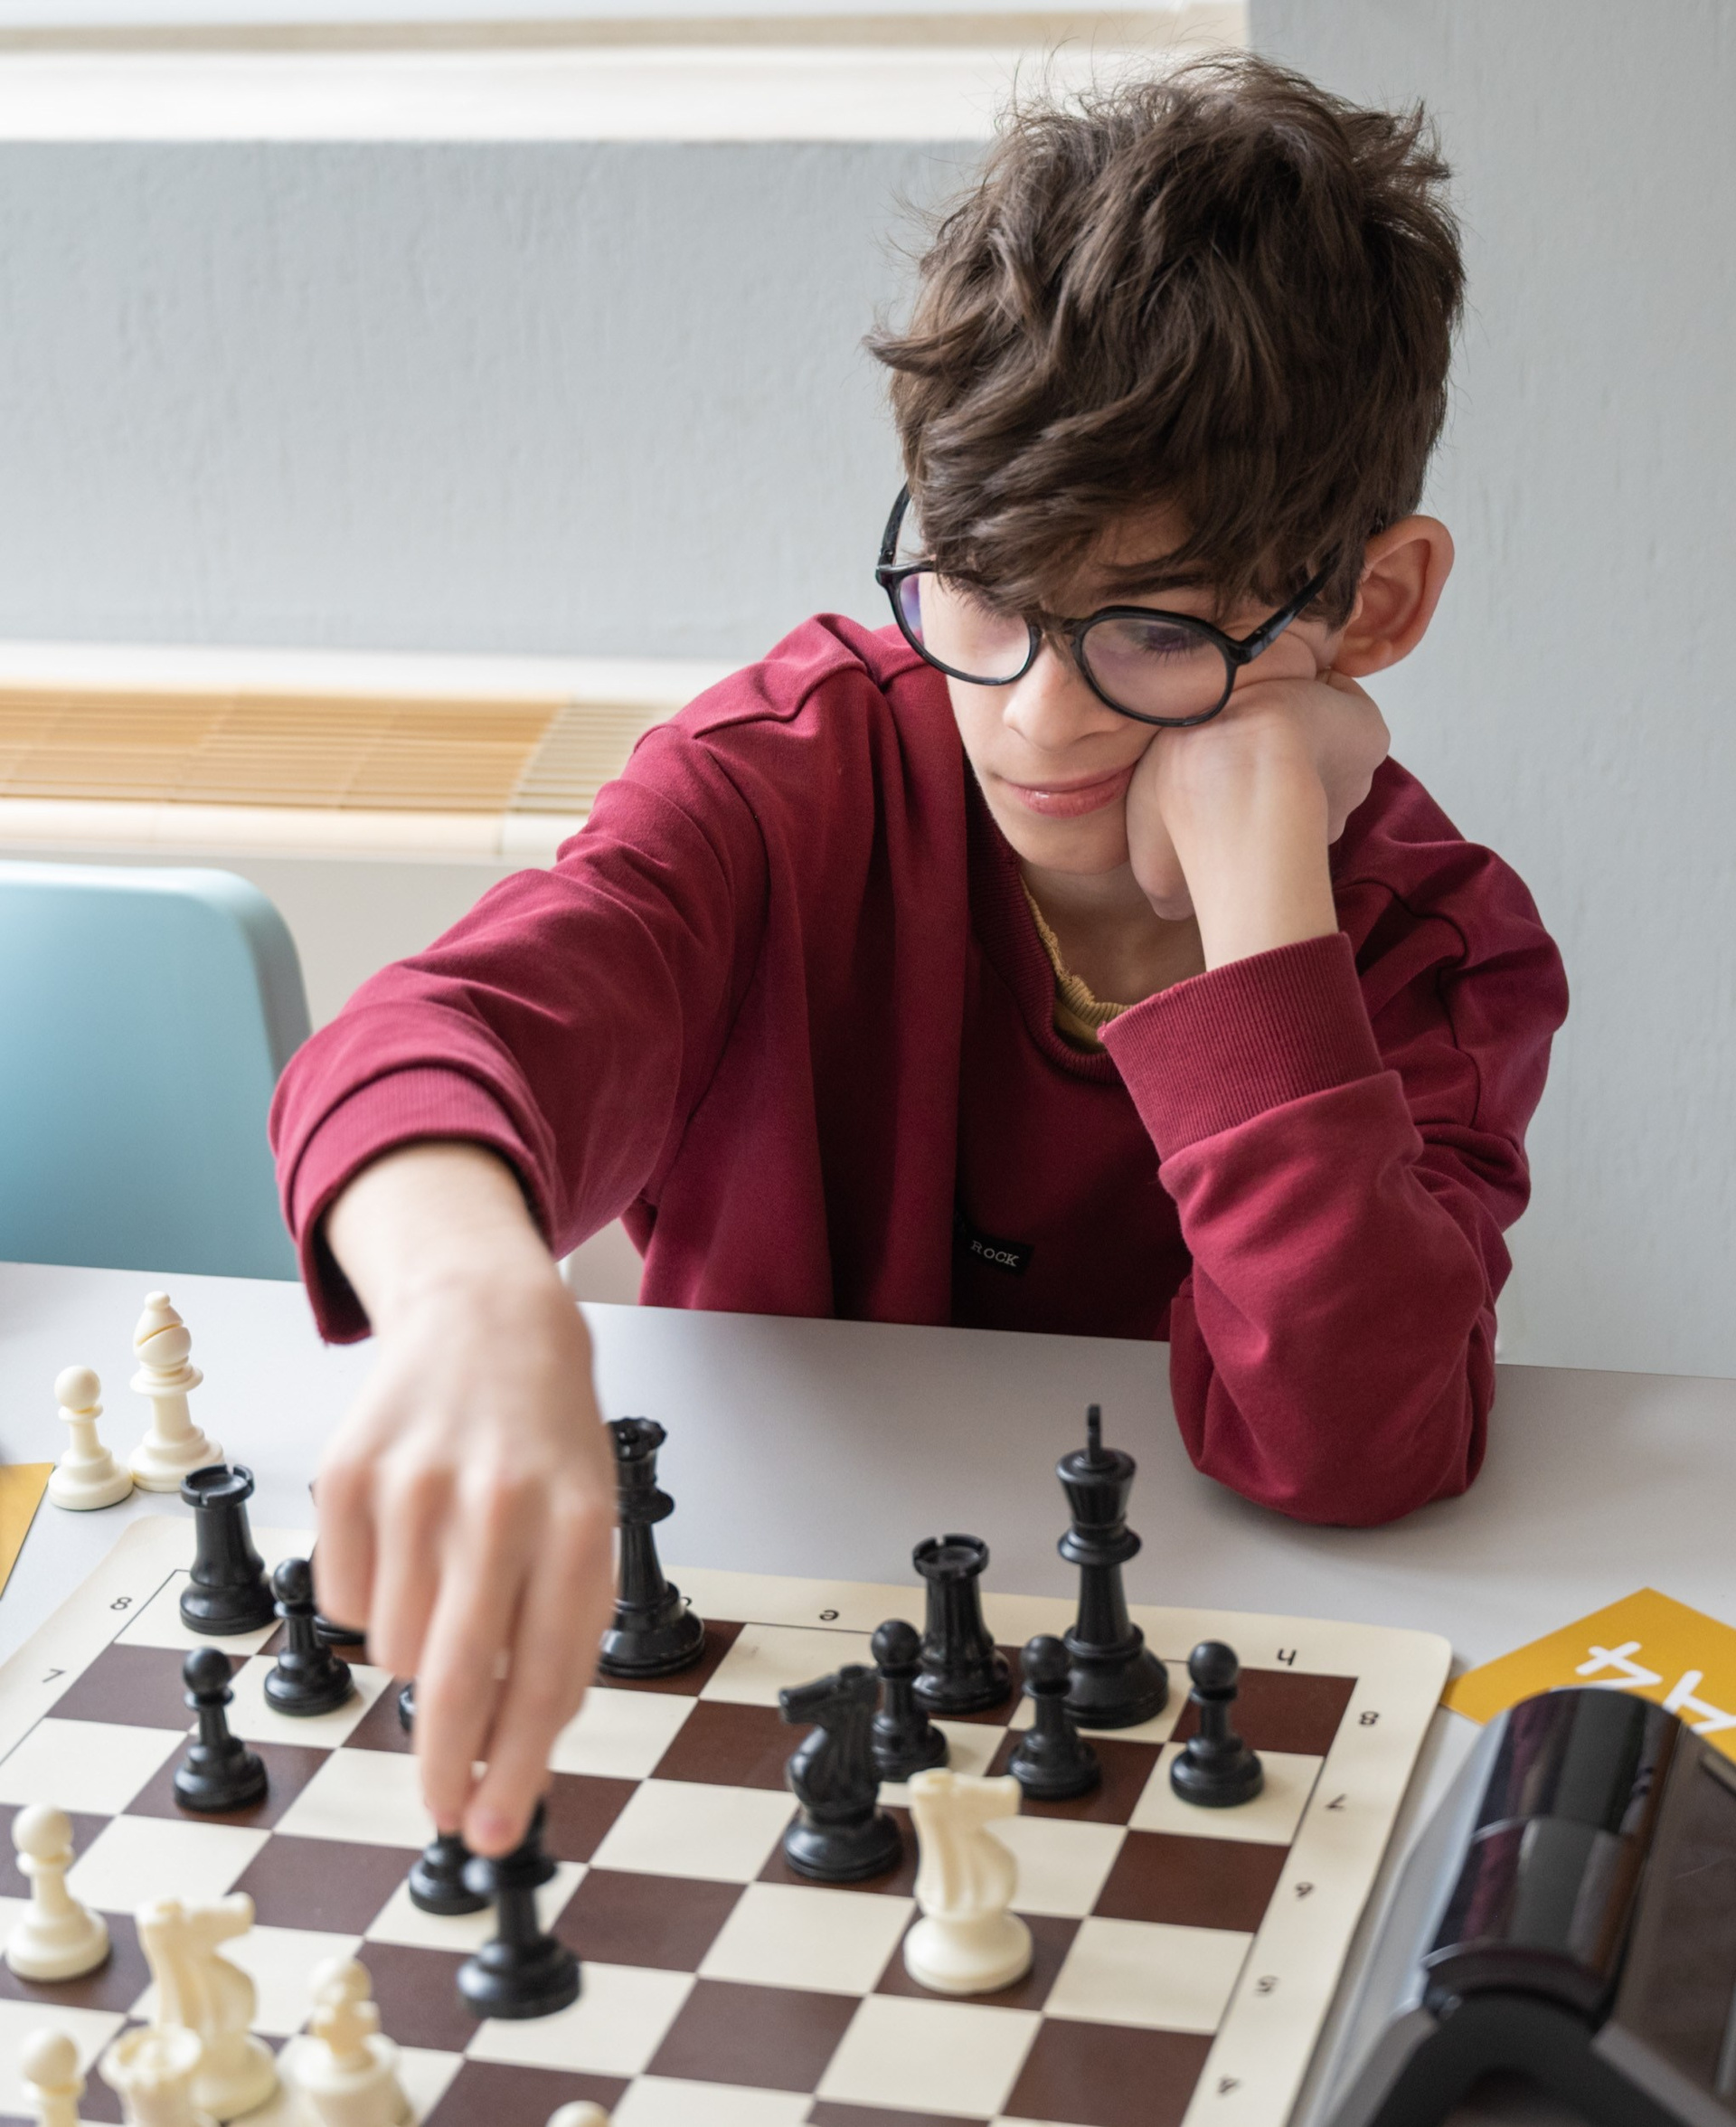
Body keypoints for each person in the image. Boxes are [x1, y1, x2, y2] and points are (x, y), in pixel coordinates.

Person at [270, 52, 1568, 1860]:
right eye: (981, 584)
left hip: (1170, 1731)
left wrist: (1265, 915)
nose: (1034, 713)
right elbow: (432, 1037)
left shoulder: (1434, 947)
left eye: (1152, 629)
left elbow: (1354, 1446)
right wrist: (479, 1302)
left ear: (1376, 602)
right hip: (750, 1686)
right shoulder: (788, 783)